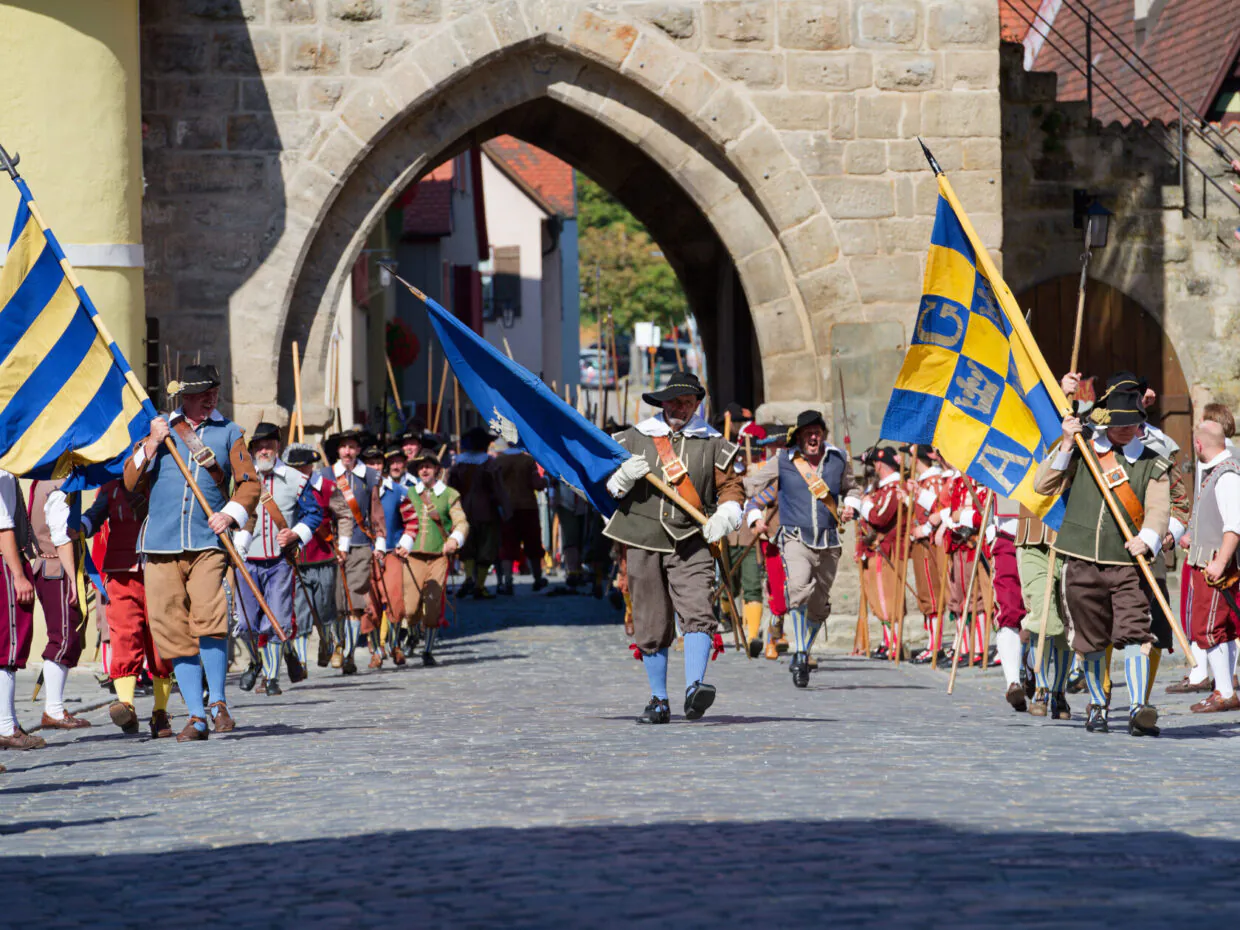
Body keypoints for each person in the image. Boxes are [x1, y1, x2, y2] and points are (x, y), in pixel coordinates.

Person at [124, 364, 260, 741]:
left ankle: (218, 702)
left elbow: (249, 484)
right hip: (160, 542)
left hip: (207, 542)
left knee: (210, 616)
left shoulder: (230, 432)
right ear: (185, 398)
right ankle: (196, 716)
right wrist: (151, 443)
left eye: (213, 394)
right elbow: (131, 479)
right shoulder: (162, 430)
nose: (209, 400)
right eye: (202, 395)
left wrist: (229, 514)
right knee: (171, 628)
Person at [1033, 373, 1171, 736]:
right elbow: (1042, 485)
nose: (1125, 430)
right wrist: (1064, 444)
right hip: (1080, 560)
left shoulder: (1154, 462)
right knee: (1091, 640)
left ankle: (1139, 707)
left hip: (1128, 564)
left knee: (1136, 634)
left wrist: (1150, 538)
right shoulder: (1082, 449)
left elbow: (1159, 508)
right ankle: (1097, 704)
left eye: (1132, 424)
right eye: (1119, 424)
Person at [604, 370, 743, 724]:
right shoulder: (633, 439)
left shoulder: (713, 443)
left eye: (685, 401)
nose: (678, 407)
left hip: (691, 540)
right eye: (672, 401)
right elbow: (599, 486)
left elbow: (731, 489)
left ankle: (695, 687)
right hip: (641, 537)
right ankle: (659, 699)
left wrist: (725, 515)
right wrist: (620, 479)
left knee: (698, 609)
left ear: (697, 404)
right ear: (661, 402)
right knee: (651, 619)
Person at [744, 410, 860, 687]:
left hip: (829, 541)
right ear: (799, 436)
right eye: (807, 432)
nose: (813, 437)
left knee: (819, 606)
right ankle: (798, 653)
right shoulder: (784, 460)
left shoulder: (839, 459)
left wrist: (852, 507)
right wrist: (752, 516)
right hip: (795, 538)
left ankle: (804, 648)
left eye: (817, 431)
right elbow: (751, 488)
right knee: (797, 589)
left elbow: (852, 490)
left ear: (823, 434)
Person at [232, 422, 323, 695]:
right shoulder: (241, 480)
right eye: (259, 446)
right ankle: (256, 662)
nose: (264, 450)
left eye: (269, 445)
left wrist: (295, 534)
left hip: (279, 561)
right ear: (251, 450)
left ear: (277, 447)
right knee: (247, 623)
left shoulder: (297, 479)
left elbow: (314, 513)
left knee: (277, 621)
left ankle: (272, 678)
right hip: (246, 560)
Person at [82, 479, 175, 737]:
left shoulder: (164, 475)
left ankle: (160, 712)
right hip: (122, 572)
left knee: (160, 642)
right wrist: (81, 525)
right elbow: (96, 513)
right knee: (124, 635)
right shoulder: (111, 483)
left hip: (160, 568)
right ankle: (127, 706)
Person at [23, 477, 92, 731]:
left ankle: (54, 707)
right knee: (63, 638)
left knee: (65, 637)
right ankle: (53, 709)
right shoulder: (57, 485)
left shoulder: (45, 482)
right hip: (56, 569)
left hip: (50, 567)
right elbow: (61, 536)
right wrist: (74, 579)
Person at [1183, 420, 1240, 713]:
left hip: (1215, 566)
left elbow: (1234, 526)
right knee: (1222, 629)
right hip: (1207, 559)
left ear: (1199, 445)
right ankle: (1225, 689)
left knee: (1209, 628)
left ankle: (1224, 692)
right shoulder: (1216, 472)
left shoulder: (1227, 474)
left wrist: (1219, 563)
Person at [401, 450, 468, 666]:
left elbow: (462, 522)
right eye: (421, 467)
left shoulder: (449, 494)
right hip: (413, 557)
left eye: (428, 466)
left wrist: (454, 540)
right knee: (410, 608)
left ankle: (428, 651)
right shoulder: (409, 493)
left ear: (436, 469)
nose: (425, 470)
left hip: (438, 556)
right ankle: (412, 634)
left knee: (432, 605)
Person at [327, 428, 380, 675]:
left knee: (354, 601)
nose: (347, 452)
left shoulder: (369, 475)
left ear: (358, 450)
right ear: (338, 450)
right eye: (343, 447)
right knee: (336, 602)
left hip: (360, 544)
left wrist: (379, 541)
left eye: (352, 447)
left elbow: (375, 509)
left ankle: (348, 653)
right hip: (331, 546)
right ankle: (339, 646)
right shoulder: (326, 475)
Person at [0, 470, 45, 751]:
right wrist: (18, 575)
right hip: (5, 565)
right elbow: (4, 529)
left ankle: (9, 720)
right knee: (8, 646)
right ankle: (6, 726)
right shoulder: (3, 475)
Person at [284, 444, 339, 671]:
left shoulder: (327, 487)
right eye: (295, 468)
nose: (300, 472)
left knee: (325, 607)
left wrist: (342, 545)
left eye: (303, 467)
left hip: (323, 556)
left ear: (311, 467)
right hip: (297, 559)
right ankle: (302, 662)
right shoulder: (285, 488)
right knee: (301, 610)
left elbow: (343, 515)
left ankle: (328, 644)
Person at [857, 447, 906, 660]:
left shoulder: (893, 488)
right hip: (874, 549)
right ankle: (887, 641)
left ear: (879, 465)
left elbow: (880, 518)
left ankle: (894, 643)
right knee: (877, 597)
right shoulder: (881, 489)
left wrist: (865, 506)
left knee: (887, 597)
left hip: (887, 549)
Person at [450, 427, 509, 599]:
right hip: (486, 511)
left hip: (463, 511)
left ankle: (469, 577)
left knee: (467, 546)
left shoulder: (458, 465)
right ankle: (479, 586)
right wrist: (506, 509)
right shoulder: (490, 464)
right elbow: (498, 489)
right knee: (486, 547)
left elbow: (451, 489)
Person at [373, 445, 419, 665]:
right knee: (370, 603)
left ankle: (393, 643)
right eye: (369, 463)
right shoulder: (359, 490)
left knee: (394, 600)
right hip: (367, 552)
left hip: (393, 551)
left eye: (377, 463)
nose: (375, 467)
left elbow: (412, 520)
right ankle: (376, 648)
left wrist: (405, 543)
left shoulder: (400, 492)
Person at [905, 448, 948, 665]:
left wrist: (925, 528)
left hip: (930, 542)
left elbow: (941, 508)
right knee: (925, 593)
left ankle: (936, 645)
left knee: (932, 593)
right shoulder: (922, 482)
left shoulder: (933, 481)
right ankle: (932, 643)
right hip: (919, 543)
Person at [494, 441, 547, 594]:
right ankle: (537, 578)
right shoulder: (527, 460)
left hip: (507, 509)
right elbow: (537, 484)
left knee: (507, 545)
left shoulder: (499, 461)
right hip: (527, 507)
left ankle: (508, 581)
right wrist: (547, 481)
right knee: (533, 543)